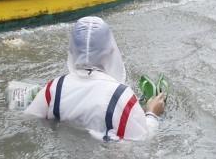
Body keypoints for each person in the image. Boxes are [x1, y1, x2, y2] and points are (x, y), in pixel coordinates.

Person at [24, 16, 166, 141]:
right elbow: (143, 140)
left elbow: (30, 120)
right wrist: (152, 113)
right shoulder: (122, 96)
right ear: (111, 50)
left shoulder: (53, 88)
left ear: (72, 50)